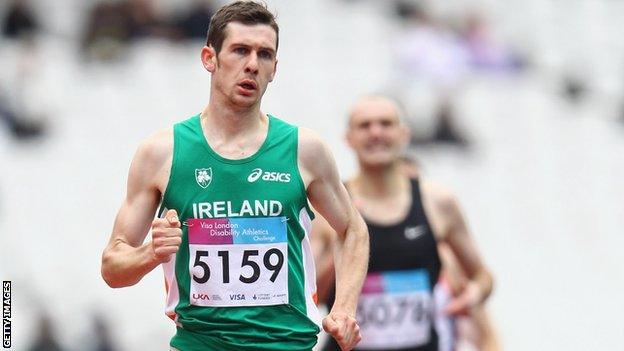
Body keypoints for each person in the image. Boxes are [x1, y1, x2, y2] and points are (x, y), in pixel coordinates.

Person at [100, 2, 369, 351]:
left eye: (265, 54)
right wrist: (152, 252)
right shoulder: (161, 153)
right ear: (209, 58)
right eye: (240, 50)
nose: (252, 65)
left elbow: (353, 229)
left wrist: (344, 308)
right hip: (201, 343)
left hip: (287, 344)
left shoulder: (305, 149)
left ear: (275, 69)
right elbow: (112, 267)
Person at [313, 95, 493, 351]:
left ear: (404, 134)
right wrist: (348, 237)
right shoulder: (328, 205)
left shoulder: (438, 202)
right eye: (365, 125)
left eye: (386, 124)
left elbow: (483, 276)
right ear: (348, 139)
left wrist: (473, 295)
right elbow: (311, 295)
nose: (376, 132)